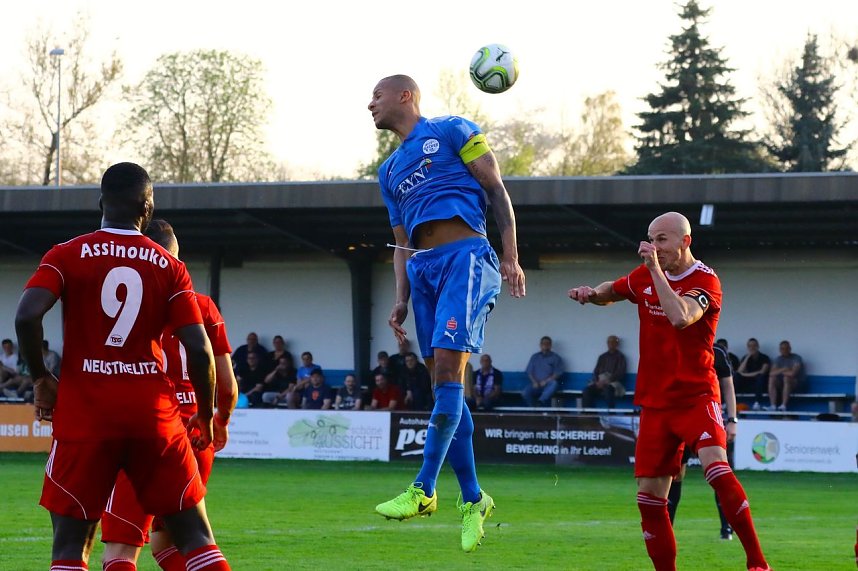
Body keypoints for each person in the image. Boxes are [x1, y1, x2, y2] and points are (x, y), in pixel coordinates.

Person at [14, 162, 230, 571]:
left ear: (101, 202)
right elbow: (199, 351)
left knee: (71, 546)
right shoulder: (169, 266)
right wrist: (204, 415)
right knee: (196, 539)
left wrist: (42, 379)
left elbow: (26, 316)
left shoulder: (66, 253)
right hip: (154, 417)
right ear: (146, 208)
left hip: (85, 416)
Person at [368, 74, 526, 553]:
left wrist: (511, 256)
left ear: (404, 95)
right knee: (444, 386)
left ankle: (425, 488)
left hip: (466, 259)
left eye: (375, 95)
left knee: (449, 371)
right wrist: (400, 296)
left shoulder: (454, 129)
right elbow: (401, 243)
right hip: (424, 271)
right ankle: (474, 499)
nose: (368, 104)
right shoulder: (389, 170)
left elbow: (497, 191)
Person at [567, 211, 769, 571]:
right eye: (651, 238)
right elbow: (612, 291)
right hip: (655, 403)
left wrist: (656, 270)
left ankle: (757, 562)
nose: (654, 246)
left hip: (695, 397)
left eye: (662, 240)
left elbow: (680, 317)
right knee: (649, 500)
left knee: (717, 471)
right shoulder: (645, 275)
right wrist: (590, 294)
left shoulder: (706, 281)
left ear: (685, 241)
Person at [101, 219, 238, 570]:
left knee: (119, 551)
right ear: (178, 258)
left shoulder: (125, 305)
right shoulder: (204, 307)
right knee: (174, 543)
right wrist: (218, 420)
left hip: (147, 428)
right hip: (194, 434)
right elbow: (227, 385)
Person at [667, 342, 740, 541]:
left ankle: (727, 528)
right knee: (676, 474)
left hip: (708, 419)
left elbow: (728, 385)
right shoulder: (675, 347)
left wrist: (732, 419)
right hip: (681, 418)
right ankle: (667, 528)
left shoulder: (717, 352)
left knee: (719, 472)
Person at [581, 335, 627, 409]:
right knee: (587, 390)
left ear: (617, 344)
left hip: (612, 382)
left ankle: (611, 414)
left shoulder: (621, 357)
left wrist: (607, 381)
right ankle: (588, 415)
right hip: (599, 382)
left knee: (608, 390)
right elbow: (596, 371)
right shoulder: (602, 357)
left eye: (613, 342)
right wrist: (597, 381)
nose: (611, 344)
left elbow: (620, 373)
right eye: (609, 342)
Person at [522, 336, 564, 407]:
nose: (545, 345)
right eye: (543, 343)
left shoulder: (556, 358)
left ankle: (541, 401)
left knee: (554, 383)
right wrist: (534, 382)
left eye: (547, 344)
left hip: (548, 385)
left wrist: (545, 381)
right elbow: (529, 372)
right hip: (536, 384)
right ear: (540, 345)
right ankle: (534, 409)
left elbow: (557, 374)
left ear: (550, 346)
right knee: (525, 392)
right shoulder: (534, 357)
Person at [766, 340, 804, 411]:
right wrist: (784, 369)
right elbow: (771, 373)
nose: (784, 350)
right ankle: (773, 405)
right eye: (782, 349)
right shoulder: (778, 359)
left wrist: (779, 371)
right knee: (772, 378)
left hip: (796, 383)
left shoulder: (796, 358)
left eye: (786, 348)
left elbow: (793, 373)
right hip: (781, 383)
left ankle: (783, 405)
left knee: (786, 378)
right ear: (780, 350)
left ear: (790, 349)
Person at [735, 338, 771, 411]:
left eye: (754, 346)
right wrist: (748, 357)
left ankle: (757, 403)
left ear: (758, 346)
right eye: (750, 346)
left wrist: (745, 375)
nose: (752, 348)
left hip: (761, 383)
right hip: (748, 383)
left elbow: (762, 372)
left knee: (760, 377)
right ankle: (732, 401)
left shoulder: (764, 357)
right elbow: (739, 371)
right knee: (736, 376)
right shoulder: (746, 357)